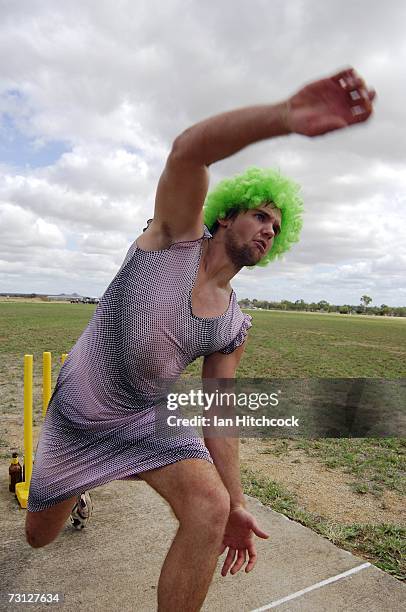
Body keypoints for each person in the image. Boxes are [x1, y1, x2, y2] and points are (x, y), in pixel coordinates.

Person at [25, 66, 375, 611]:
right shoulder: (172, 238)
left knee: (210, 507)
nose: (267, 230)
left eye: (277, 229)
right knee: (38, 536)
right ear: (227, 215)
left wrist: (236, 501)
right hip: (79, 413)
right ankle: (75, 487)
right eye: (261, 215)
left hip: (147, 416)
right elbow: (188, 152)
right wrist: (284, 117)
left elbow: (219, 412)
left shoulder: (233, 323)